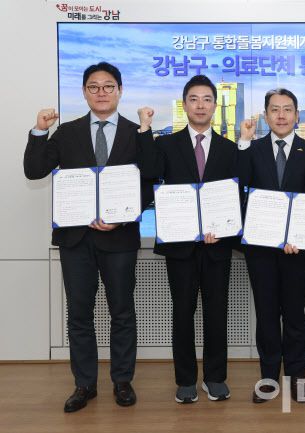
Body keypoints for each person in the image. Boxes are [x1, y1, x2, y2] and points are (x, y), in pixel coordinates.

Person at [23, 61, 154, 412]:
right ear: (84, 92)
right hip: (75, 240)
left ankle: (122, 381)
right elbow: (34, 170)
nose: (101, 92)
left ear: (120, 91)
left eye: (108, 86)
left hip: (120, 239)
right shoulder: (65, 132)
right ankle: (84, 384)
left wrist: (121, 217)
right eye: (94, 87)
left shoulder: (137, 133)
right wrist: (39, 131)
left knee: (122, 312)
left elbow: (148, 184)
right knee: (79, 315)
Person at [137, 75, 239, 404]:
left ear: (215, 105)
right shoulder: (166, 144)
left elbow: (235, 196)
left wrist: (223, 228)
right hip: (180, 246)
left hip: (216, 245)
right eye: (194, 99)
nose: (200, 105)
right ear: (185, 105)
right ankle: (185, 380)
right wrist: (145, 129)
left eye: (207, 99)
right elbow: (149, 171)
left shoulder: (229, 148)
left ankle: (215, 378)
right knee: (182, 312)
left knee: (216, 312)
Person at [237, 88, 305, 403]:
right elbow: (239, 185)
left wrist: (298, 237)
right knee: (267, 315)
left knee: (295, 315)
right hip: (260, 250)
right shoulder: (252, 148)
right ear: (266, 115)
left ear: (297, 115)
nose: (281, 115)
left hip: (296, 251)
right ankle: (269, 379)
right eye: (275, 109)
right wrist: (243, 142)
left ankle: (298, 379)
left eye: (287, 109)